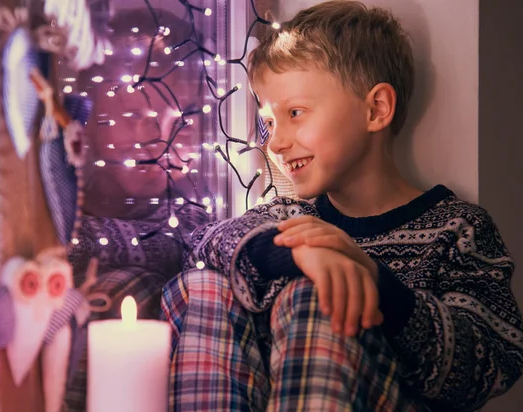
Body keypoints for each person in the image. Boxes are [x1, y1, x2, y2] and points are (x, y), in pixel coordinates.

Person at [161, 1, 523, 411]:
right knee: (203, 285)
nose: (275, 143)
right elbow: (202, 243)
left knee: (319, 298)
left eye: (295, 113)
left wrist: (374, 283)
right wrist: (297, 252)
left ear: (376, 109)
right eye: (270, 123)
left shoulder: (456, 228)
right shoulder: (290, 218)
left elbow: (492, 364)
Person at [36, 7, 212, 411]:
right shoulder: (48, 198)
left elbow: (179, 242)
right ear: (89, 117)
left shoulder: (191, 218)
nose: (158, 136)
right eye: (135, 114)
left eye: (181, 120)